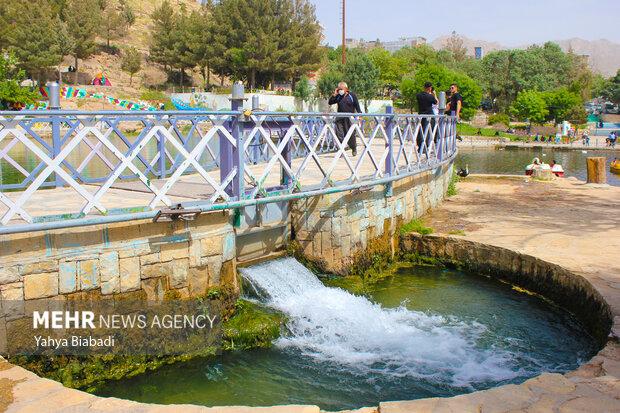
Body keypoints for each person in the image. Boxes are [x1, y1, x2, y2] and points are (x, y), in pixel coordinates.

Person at [328, 81, 362, 156]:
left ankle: (353, 148)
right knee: (339, 134)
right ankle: (341, 149)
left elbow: (357, 106)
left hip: (349, 118)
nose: (340, 90)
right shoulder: (338, 96)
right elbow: (330, 102)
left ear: (346, 89)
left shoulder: (352, 95)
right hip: (339, 118)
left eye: (342, 89)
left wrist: (360, 116)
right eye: (339, 89)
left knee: (350, 134)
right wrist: (334, 94)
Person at [416, 82, 438, 153]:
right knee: (428, 131)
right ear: (430, 88)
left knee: (420, 131)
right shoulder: (430, 96)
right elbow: (436, 102)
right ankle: (425, 147)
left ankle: (420, 147)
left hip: (421, 115)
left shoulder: (418, 95)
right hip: (429, 116)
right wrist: (434, 95)